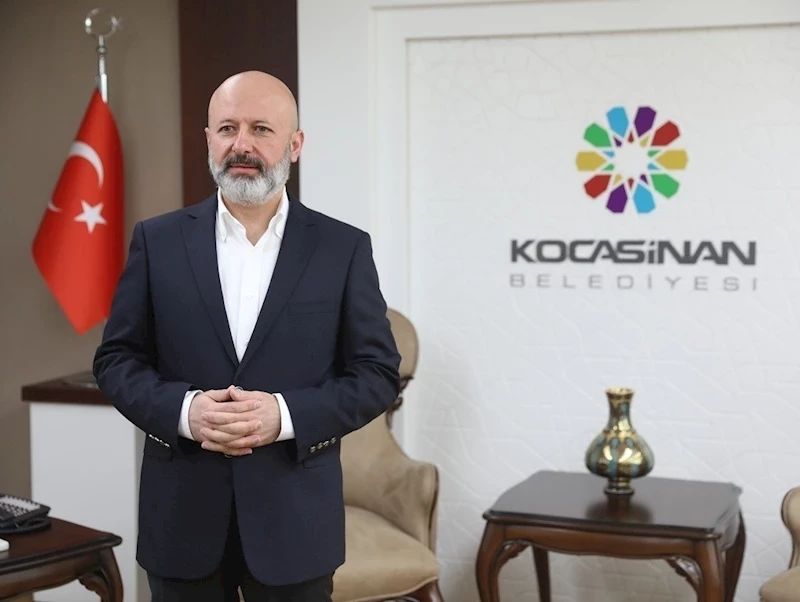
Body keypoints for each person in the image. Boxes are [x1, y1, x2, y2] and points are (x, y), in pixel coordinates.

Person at [93, 70, 401, 602]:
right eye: (227, 128)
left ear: (295, 145)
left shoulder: (343, 248)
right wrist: (185, 412)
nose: (242, 144)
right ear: (208, 140)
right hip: (181, 523)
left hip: (296, 525)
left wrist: (284, 416)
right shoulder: (157, 241)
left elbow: (376, 375)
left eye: (261, 128)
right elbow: (116, 359)